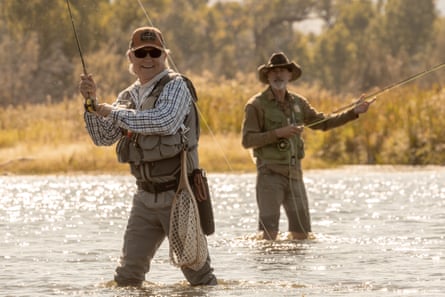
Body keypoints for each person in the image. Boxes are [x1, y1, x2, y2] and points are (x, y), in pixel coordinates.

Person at [79, 26, 217, 286]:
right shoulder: (128, 95)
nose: (148, 59)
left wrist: (110, 111)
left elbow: (164, 121)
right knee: (127, 277)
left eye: (155, 52)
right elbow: (103, 138)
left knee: (199, 276)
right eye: (141, 53)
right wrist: (90, 104)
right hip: (143, 198)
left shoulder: (178, 86)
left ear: (165, 55)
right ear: (130, 57)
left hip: (179, 195)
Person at [241, 52, 373, 241]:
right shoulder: (256, 105)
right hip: (269, 175)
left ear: (289, 75)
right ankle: (269, 269)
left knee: (302, 234)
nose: (278, 75)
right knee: (268, 234)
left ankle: (297, 270)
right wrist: (279, 133)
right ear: (268, 76)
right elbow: (247, 140)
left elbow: (324, 123)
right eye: (274, 72)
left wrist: (354, 112)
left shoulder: (298, 103)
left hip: (295, 175)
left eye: (282, 71)